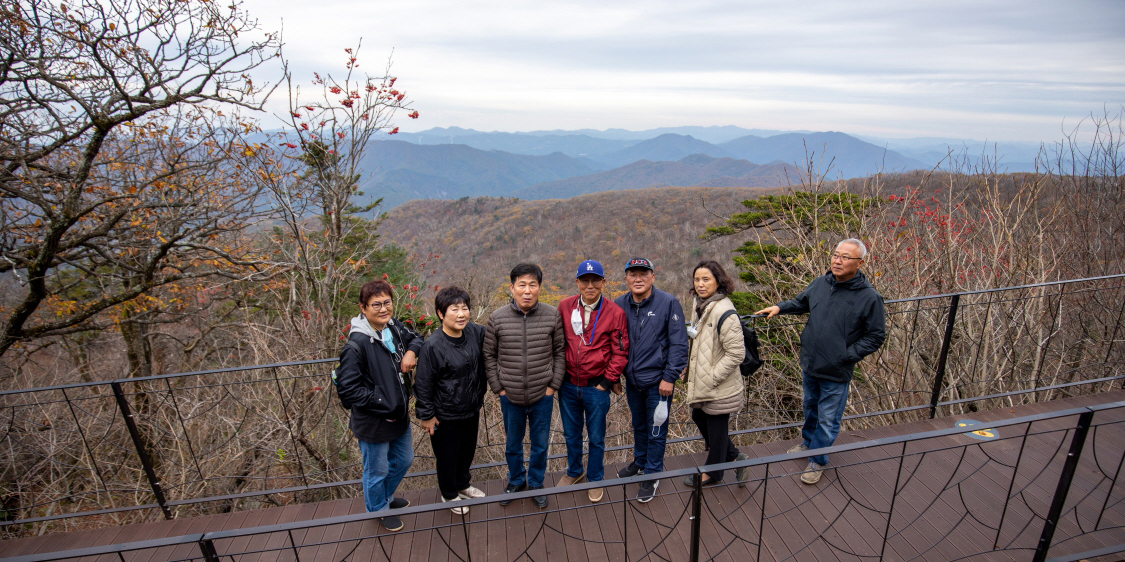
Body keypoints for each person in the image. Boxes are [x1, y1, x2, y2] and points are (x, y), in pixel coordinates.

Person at [755, 238, 886, 485]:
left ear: (860, 263)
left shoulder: (869, 297)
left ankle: (818, 460)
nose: (838, 260)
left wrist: (846, 355)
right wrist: (779, 307)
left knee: (828, 417)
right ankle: (807, 444)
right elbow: (801, 303)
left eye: (846, 257)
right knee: (810, 408)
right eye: (836, 254)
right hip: (811, 363)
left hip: (837, 369)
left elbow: (876, 335)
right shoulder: (820, 284)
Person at [335, 280, 422, 532]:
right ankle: (378, 510)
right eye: (376, 305)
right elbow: (348, 389)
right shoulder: (357, 345)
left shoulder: (391, 327)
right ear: (363, 308)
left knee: (404, 460)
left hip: (398, 413)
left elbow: (416, 337)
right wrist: (383, 401)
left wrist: (411, 352)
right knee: (376, 470)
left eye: (387, 303)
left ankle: (383, 497)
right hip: (374, 420)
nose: (383, 309)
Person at [483, 263, 566, 509]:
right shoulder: (497, 318)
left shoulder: (552, 315)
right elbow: (489, 355)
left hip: (543, 394)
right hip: (510, 395)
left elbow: (560, 352)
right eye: (522, 285)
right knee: (512, 444)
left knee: (540, 444)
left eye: (533, 285)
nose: (527, 290)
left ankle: (537, 482)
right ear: (512, 288)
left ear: (540, 287)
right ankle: (516, 480)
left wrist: (553, 386)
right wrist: (499, 388)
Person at [613, 258, 688, 502]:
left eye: (643, 274)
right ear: (626, 278)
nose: (638, 278)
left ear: (652, 277)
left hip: (659, 382)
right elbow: (613, 342)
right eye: (632, 274)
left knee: (657, 428)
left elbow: (678, 343)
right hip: (633, 381)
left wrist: (670, 377)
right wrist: (614, 375)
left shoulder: (668, 303)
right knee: (639, 425)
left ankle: (653, 474)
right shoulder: (619, 305)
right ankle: (640, 461)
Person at [557, 259, 629, 503]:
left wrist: (607, 382)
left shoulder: (614, 313)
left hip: (596, 386)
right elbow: (557, 344)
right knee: (571, 433)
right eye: (584, 280)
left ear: (603, 282)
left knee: (596, 436)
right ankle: (575, 472)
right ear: (577, 282)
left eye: (595, 280)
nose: (590, 285)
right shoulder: (565, 307)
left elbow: (620, 352)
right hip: (568, 384)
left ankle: (595, 477)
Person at [414, 286, 488, 515]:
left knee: (466, 451)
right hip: (445, 413)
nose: (461, 314)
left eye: (464, 308)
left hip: (471, 407)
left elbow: (500, 337)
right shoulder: (433, 345)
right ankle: (449, 494)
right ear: (440, 313)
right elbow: (423, 382)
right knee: (447, 456)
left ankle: (463, 484)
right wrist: (426, 415)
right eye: (454, 309)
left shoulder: (475, 333)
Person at [682, 260, 749, 488]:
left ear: (718, 281)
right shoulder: (701, 304)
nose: (700, 284)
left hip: (718, 384)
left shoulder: (724, 310)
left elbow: (736, 353)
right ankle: (734, 456)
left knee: (716, 425)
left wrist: (711, 377)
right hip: (704, 380)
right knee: (699, 417)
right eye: (697, 279)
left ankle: (713, 473)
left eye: (706, 279)